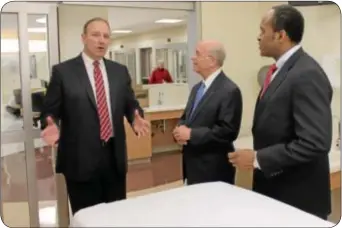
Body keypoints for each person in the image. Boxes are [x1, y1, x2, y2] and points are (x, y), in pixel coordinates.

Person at [228, 5, 333, 220]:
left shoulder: (306, 74)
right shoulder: (280, 71)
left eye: (262, 31)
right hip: (276, 191)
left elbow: (314, 143)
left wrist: (258, 158)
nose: (258, 37)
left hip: (297, 198)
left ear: (280, 35)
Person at [40, 17, 150, 214]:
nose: (101, 40)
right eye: (95, 35)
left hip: (113, 158)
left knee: (116, 216)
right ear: (83, 38)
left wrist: (135, 117)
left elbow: (130, 103)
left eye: (106, 36)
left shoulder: (119, 71)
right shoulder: (63, 72)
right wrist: (50, 123)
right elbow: (50, 110)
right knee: (88, 217)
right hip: (80, 159)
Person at [173, 40, 243, 185]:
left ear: (211, 61)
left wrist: (191, 134)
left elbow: (228, 131)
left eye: (197, 54)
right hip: (193, 167)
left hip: (214, 170)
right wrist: (179, 130)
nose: (193, 58)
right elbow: (186, 118)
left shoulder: (229, 91)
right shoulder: (196, 89)